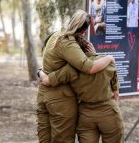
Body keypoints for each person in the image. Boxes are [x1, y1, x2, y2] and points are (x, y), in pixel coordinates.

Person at [36, 10, 115, 143]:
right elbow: (89, 68)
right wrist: (108, 58)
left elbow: (48, 63)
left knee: (45, 139)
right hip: (60, 100)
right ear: (84, 30)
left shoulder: (55, 35)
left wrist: (42, 74)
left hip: (43, 96)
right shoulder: (68, 43)